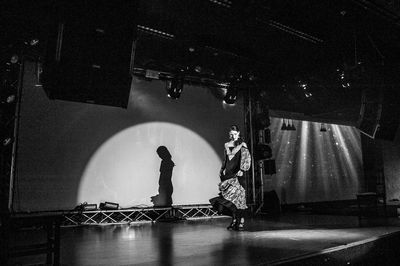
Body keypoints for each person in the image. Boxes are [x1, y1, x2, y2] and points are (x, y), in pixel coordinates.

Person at [210, 125, 251, 231]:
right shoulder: (227, 145)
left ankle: (240, 221)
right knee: (229, 200)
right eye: (231, 134)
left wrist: (242, 169)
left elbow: (246, 158)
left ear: (238, 133)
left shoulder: (242, 144)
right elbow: (225, 160)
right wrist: (222, 169)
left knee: (239, 200)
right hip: (228, 174)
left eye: (234, 134)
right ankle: (233, 220)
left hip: (238, 175)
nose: (232, 136)